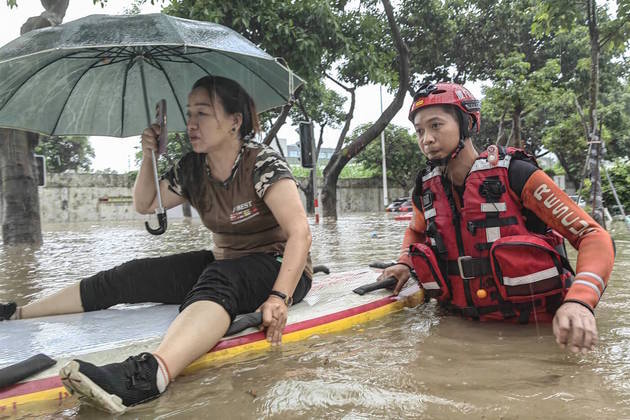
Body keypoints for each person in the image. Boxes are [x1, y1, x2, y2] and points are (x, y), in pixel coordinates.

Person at [1, 76, 312, 413]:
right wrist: (149, 153)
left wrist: (279, 298)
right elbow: (147, 203)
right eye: (189, 113)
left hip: (278, 266)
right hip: (225, 262)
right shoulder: (192, 168)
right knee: (131, 275)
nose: (191, 123)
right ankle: (16, 313)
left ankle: (150, 375)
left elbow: (300, 233)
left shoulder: (263, 164)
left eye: (203, 114)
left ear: (235, 121)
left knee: (219, 281)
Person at [379, 82, 615, 354]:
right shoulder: (425, 189)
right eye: (419, 131)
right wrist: (404, 263)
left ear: (467, 123)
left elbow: (593, 236)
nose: (426, 139)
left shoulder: (517, 174)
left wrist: (580, 301)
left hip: (536, 335)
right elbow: (416, 231)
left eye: (436, 126)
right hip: (461, 335)